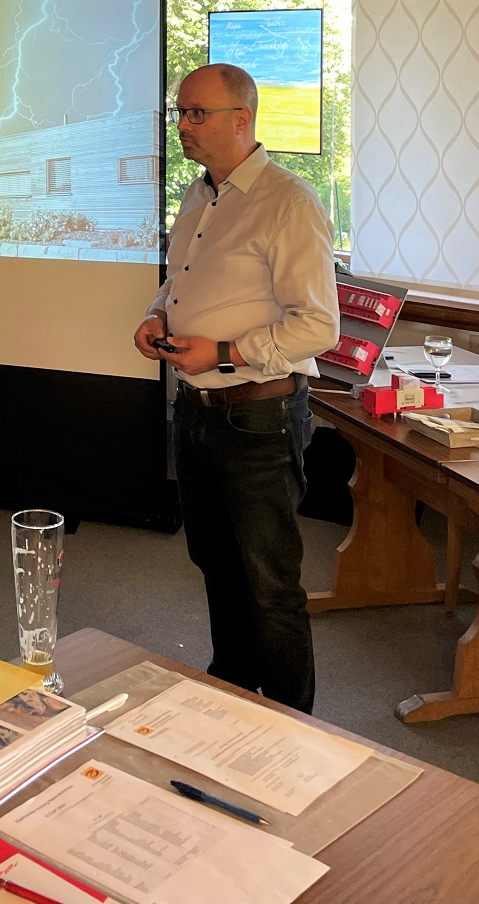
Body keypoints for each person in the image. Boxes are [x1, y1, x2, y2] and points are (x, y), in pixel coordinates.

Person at [134, 63, 338, 712]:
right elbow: (182, 283)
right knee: (216, 566)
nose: (183, 126)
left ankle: (291, 725)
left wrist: (223, 353)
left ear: (242, 119)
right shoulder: (198, 196)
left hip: (259, 417)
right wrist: (157, 316)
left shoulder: (289, 203)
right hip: (194, 412)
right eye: (180, 113)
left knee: (270, 584)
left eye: (197, 113)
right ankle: (233, 696)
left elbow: (318, 326)